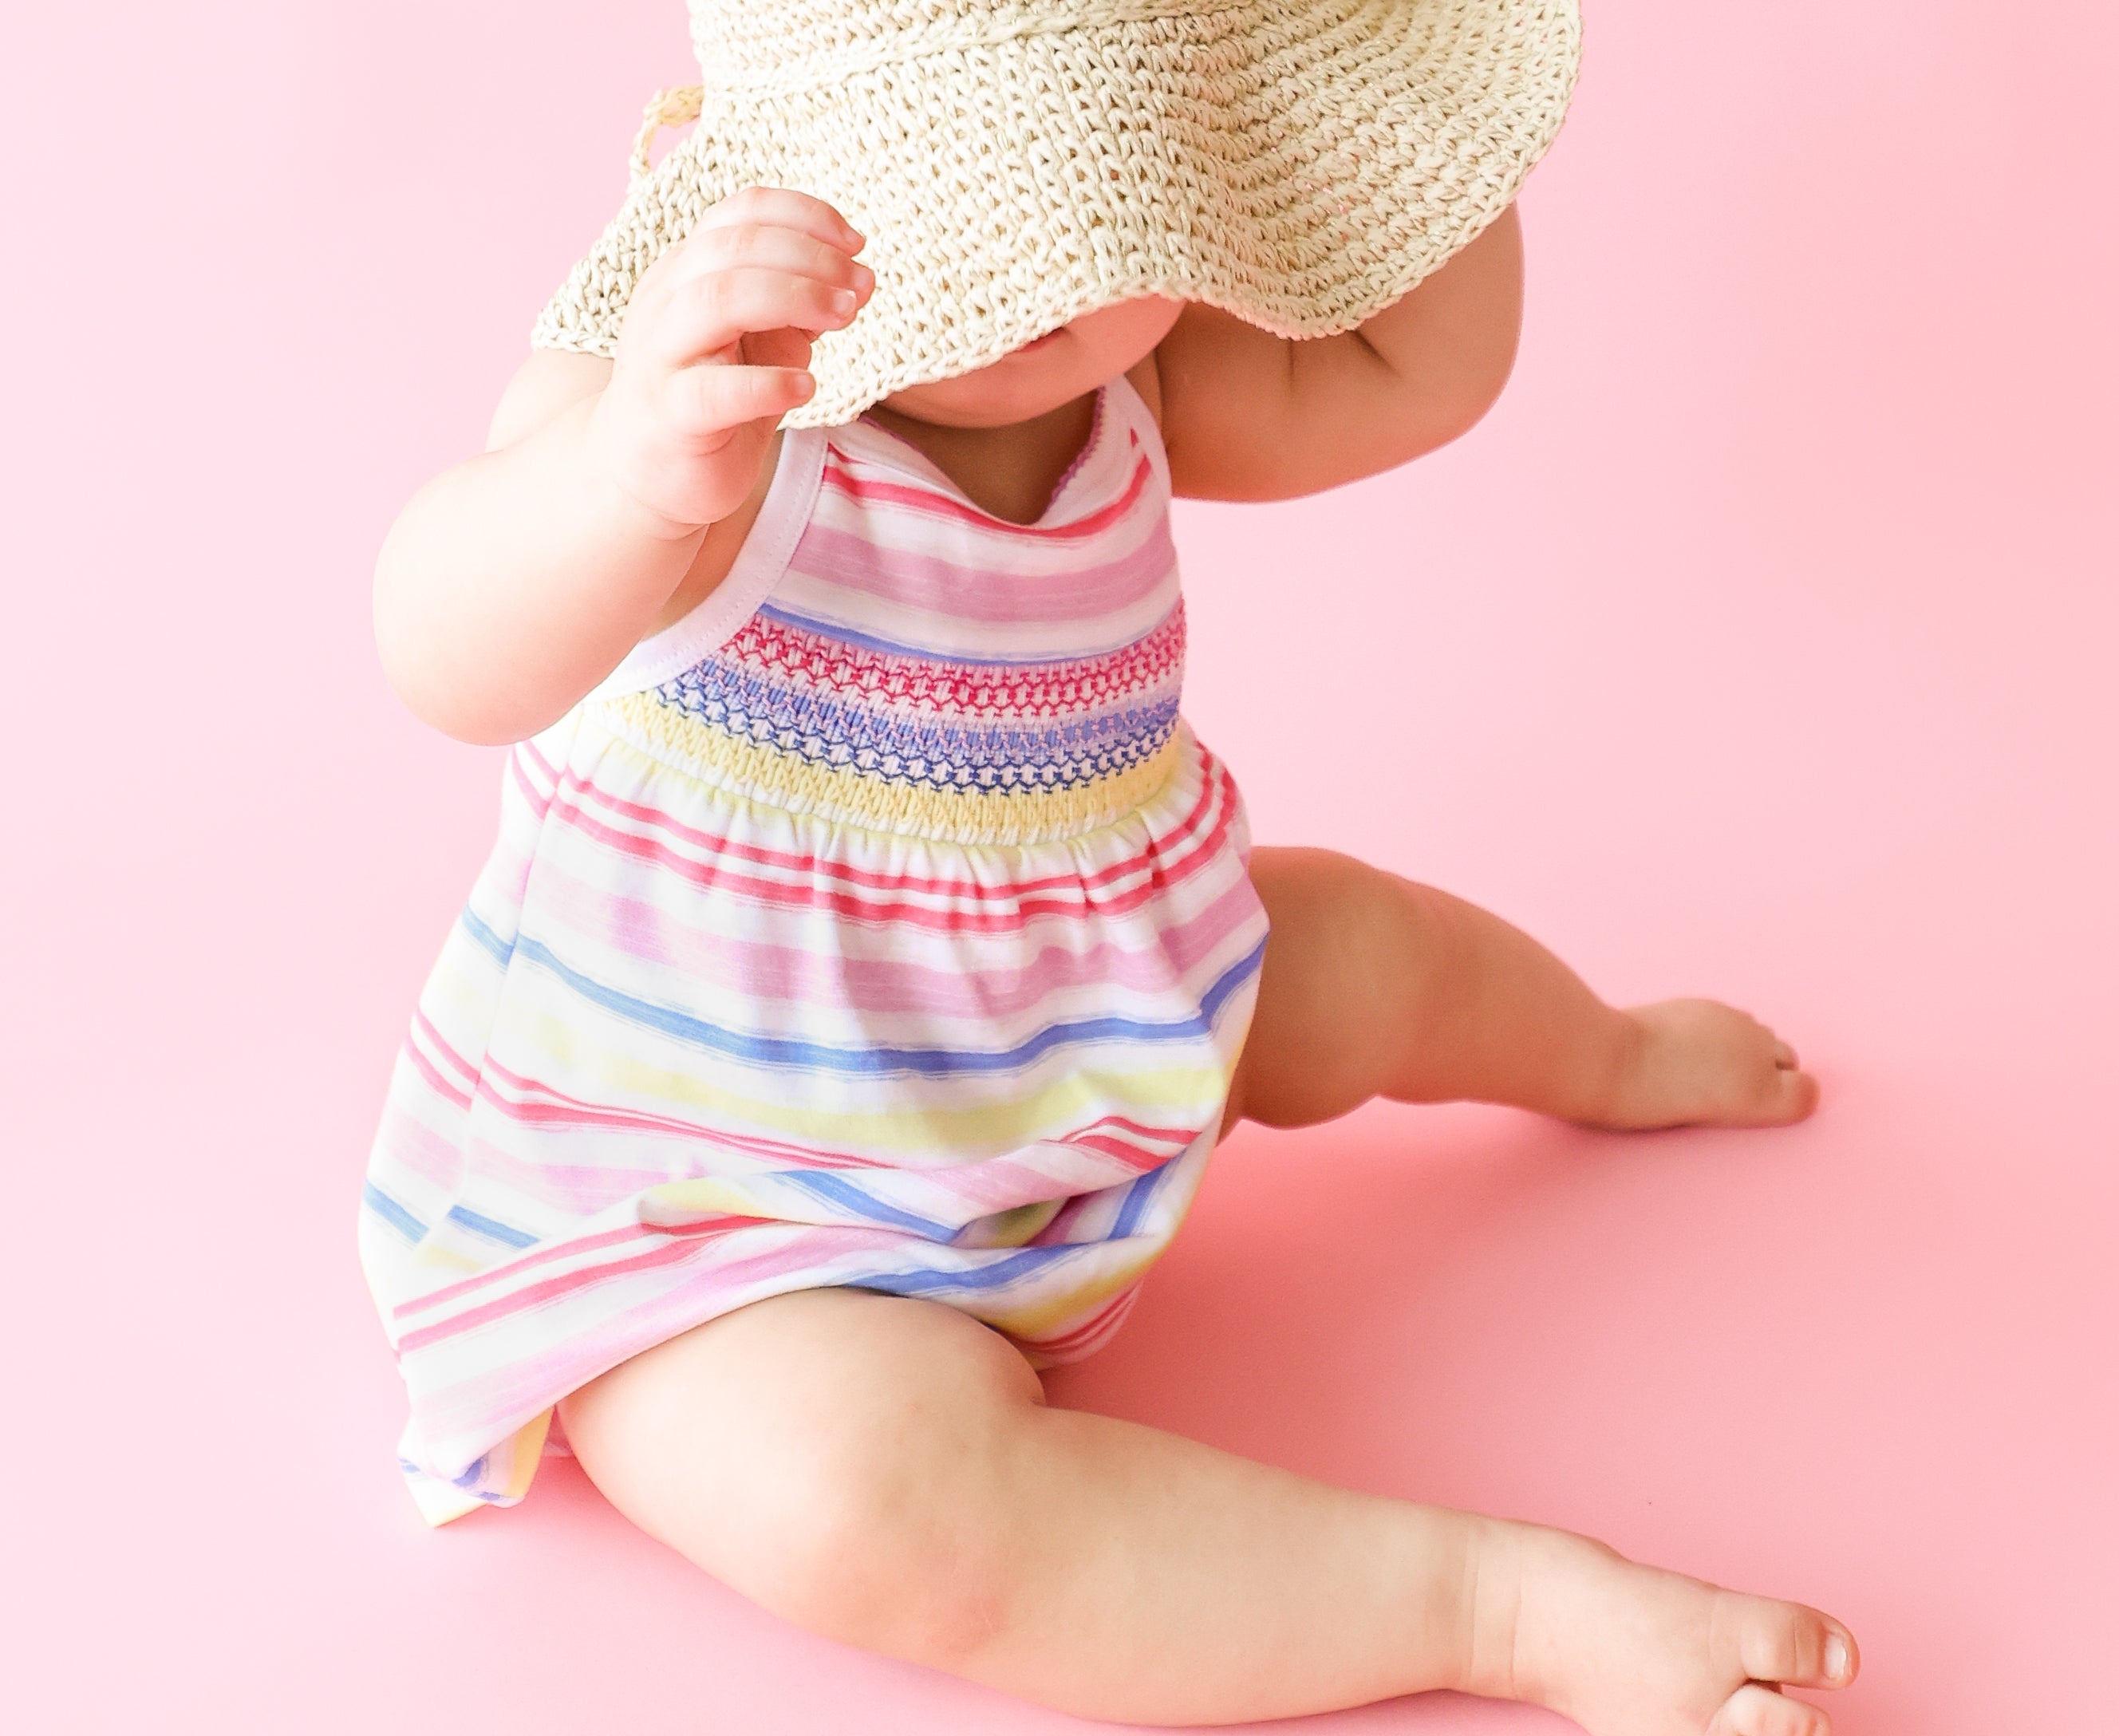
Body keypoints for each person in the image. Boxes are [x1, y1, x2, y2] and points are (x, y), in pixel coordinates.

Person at [363, 3, 1855, 1730]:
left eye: (1105, 200)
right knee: (863, 1500)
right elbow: (438, 644)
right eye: (986, 207)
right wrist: (622, 474)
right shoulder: (698, 405)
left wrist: (1383, 100)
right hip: (710, 1196)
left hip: (1091, 1027)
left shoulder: (1127, 374)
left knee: (1361, 951)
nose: (1044, 285)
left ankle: (1599, 1047)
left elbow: (1423, 370)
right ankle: (1480, 1603)